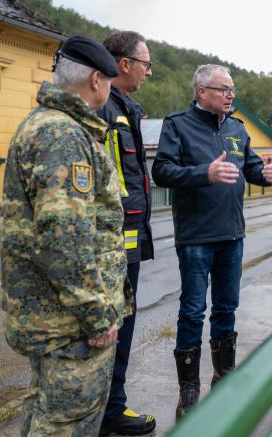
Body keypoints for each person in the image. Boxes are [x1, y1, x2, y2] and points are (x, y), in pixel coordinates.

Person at [1, 35, 130, 435]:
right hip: (68, 323)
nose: (109, 91)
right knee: (66, 423)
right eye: (109, 81)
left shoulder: (50, 126)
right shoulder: (63, 136)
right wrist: (97, 315)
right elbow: (65, 240)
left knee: (48, 414)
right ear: (96, 80)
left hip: (56, 317)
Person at [152, 64, 272, 418]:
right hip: (196, 236)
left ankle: (224, 380)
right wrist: (203, 173)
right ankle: (188, 391)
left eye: (232, 89)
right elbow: (161, 171)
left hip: (232, 234)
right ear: (201, 91)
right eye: (223, 89)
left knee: (227, 308)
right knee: (193, 311)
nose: (230, 95)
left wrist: (265, 176)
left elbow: (250, 168)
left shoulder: (237, 128)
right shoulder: (177, 125)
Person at [96, 30, 156, 437]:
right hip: (111, 241)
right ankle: (101, 413)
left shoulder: (125, 108)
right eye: (146, 63)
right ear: (124, 64)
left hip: (129, 238)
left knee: (123, 324)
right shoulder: (102, 108)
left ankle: (112, 408)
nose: (149, 72)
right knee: (106, 329)